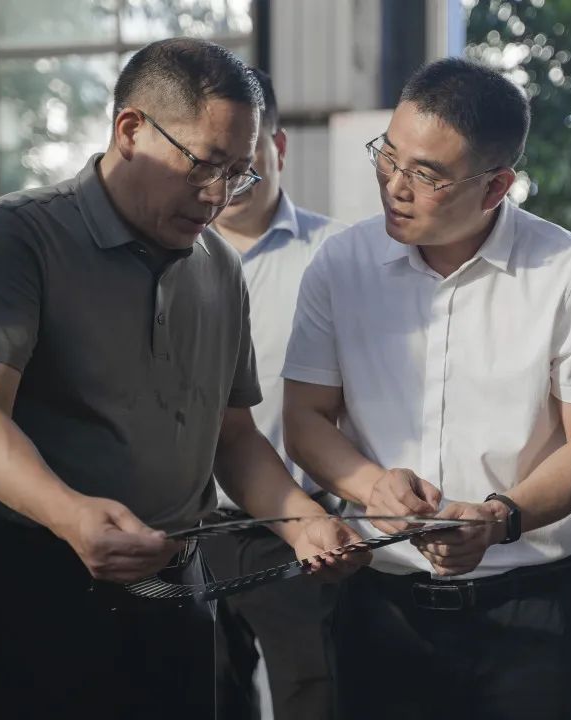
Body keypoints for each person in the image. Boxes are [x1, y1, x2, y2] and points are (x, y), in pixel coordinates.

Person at [0, 38, 363, 720]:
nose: (217, 196)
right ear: (131, 130)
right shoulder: (19, 238)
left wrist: (304, 521)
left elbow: (233, 436)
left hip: (177, 585)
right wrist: (71, 515)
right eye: (203, 165)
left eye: (238, 174)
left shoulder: (218, 268)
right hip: (36, 582)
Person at [282, 57, 571, 720]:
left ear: (496, 185)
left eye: (427, 175)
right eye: (388, 157)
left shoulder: (569, 276)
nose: (395, 186)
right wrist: (371, 487)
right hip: (380, 610)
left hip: (528, 618)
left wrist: (500, 518)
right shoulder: (342, 264)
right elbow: (304, 417)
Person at [201, 68, 346, 720]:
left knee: (314, 698)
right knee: (205, 700)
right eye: (211, 159)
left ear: (277, 146)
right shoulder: (174, 253)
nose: (227, 179)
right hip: (191, 531)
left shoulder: (335, 256)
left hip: (298, 531)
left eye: (246, 157)